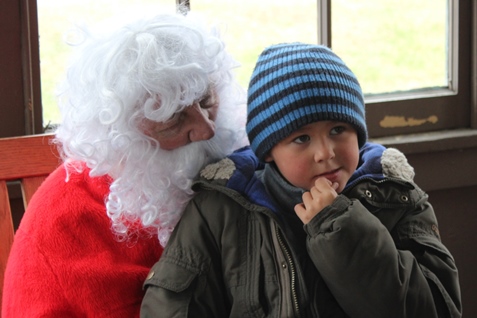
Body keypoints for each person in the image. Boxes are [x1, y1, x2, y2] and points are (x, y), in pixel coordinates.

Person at [141, 43, 462, 317]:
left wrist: (340, 229)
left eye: (338, 130)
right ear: (268, 152)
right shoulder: (219, 207)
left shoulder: (395, 196)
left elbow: (436, 307)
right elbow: (171, 307)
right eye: (301, 139)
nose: (325, 152)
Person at [2, 10, 247, 318]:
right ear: (121, 134)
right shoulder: (68, 222)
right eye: (172, 118)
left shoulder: (235, 155)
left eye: (206, 99)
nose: (206, 129)